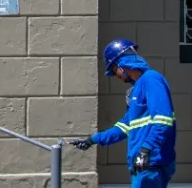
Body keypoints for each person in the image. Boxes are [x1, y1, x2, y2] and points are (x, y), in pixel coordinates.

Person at [70, 39, 176, 188]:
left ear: (122, 64)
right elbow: (124, 127)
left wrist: (146, 149)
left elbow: (163, 120)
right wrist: (92, 140)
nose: (117, 76)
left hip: (151, 163)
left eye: (114, 70)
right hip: (143, 163)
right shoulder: (137, 88)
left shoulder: (151, 79)